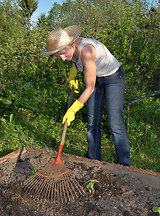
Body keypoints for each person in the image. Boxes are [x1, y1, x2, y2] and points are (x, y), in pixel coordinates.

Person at [39, 25, 131, 167]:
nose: (63, 59)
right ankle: (93, 160)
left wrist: (73, 109)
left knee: (115, 123)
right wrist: (73, 72)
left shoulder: (87, 50)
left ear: (71, 44)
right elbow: (75, 60)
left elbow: (90, 87)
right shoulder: (71, 50)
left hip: (113, 78)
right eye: (58, 56)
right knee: (93, 121)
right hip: (96, 78)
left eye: (63, 54)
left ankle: (125, 165)